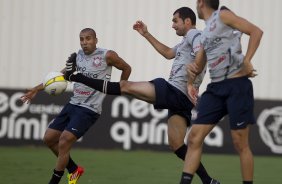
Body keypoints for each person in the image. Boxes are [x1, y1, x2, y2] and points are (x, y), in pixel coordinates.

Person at [64, 7, 219, 184]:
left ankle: (76, 76)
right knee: (177, 145)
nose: (173, 25)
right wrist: (146, 34)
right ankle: (209, 181)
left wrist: (193, 78)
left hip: (175, 90)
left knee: (126, 86)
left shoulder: (195, 35)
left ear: (188, 21)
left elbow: (202, 52)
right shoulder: (186, 40)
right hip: (182, 99)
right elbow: (169, 53)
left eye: (175, 21)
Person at [20, 28, 132, 184]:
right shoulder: (78, 56)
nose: (84, 42)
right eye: (81, 39)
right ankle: (73, 169)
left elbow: (127, 68)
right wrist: (35, 89)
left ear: (95, 40)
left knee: (64, 140)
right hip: (73, 103)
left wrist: (121, 87)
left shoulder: (107, 55)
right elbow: (59, 77)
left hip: (90, 108)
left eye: (88, 39)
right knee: (49, 139)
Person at [179, 1, 263, 184]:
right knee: (194, 137)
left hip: (237, 85)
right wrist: (190, 80)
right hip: (216, 89)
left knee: (240, 142)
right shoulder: (206, 31)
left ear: (201, 3)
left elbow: (256, 31)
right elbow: (199, 64)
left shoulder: (223, 14)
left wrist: (247, 60)